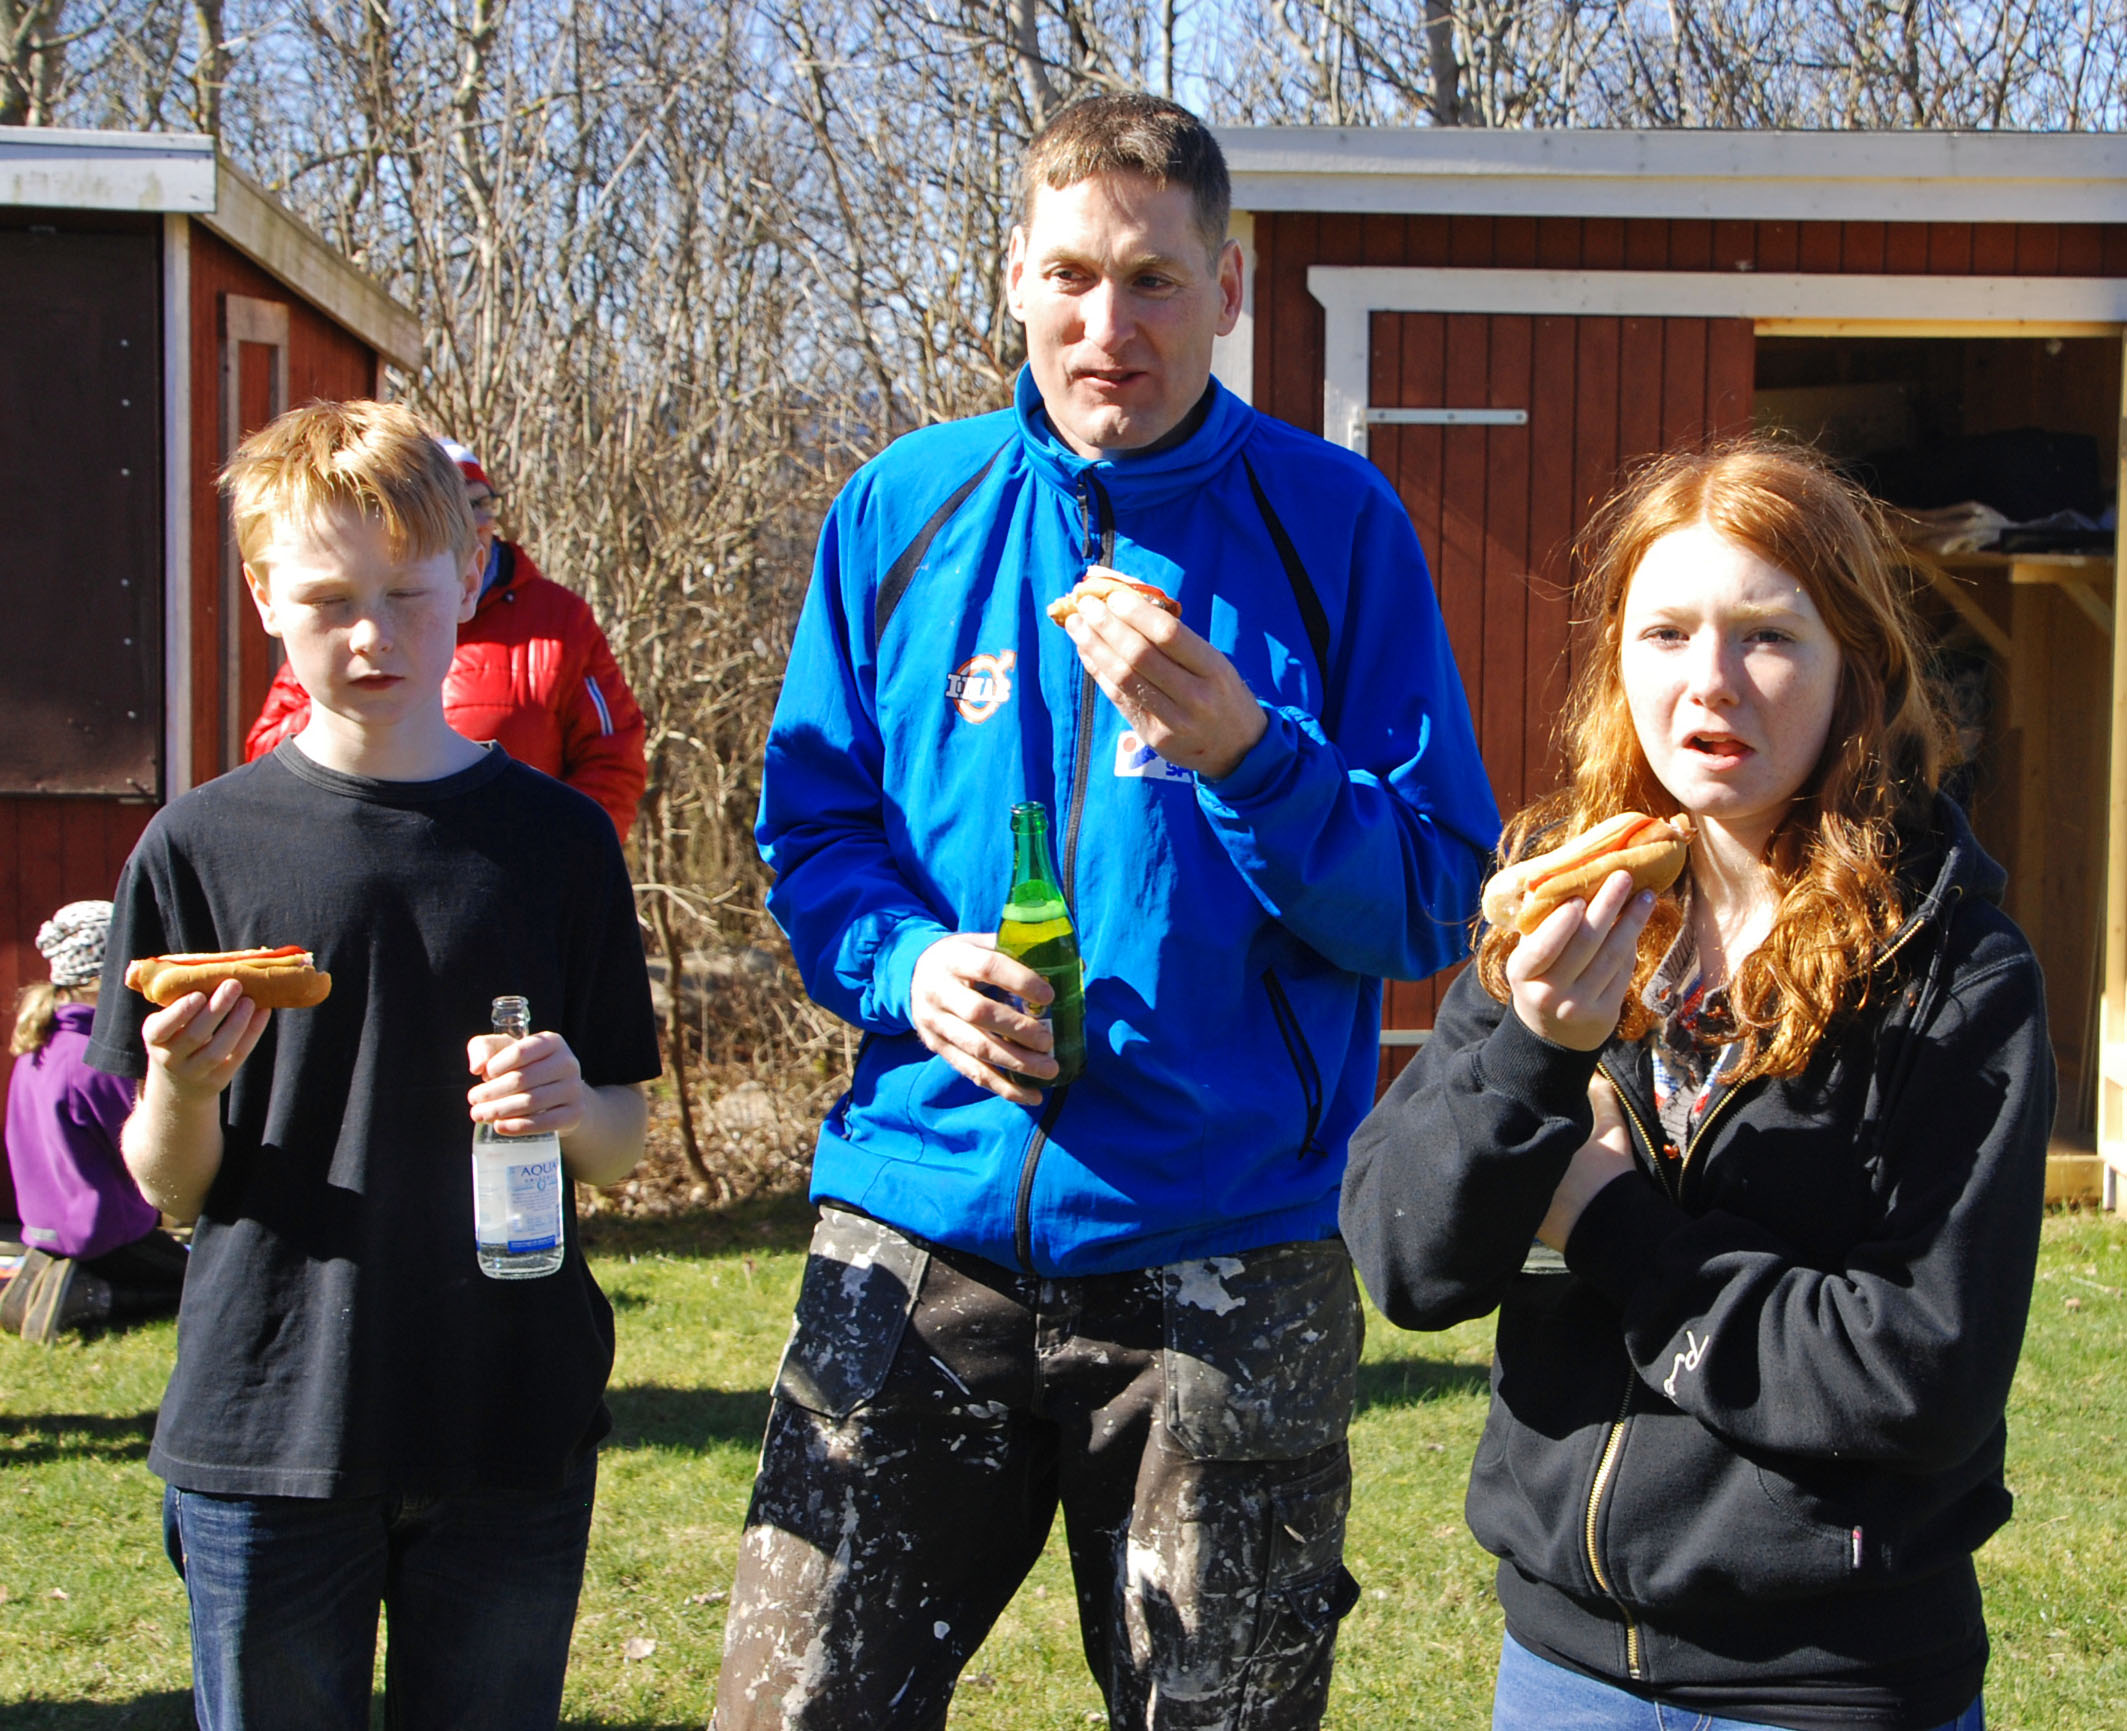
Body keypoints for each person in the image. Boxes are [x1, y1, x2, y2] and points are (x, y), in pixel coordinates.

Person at [716, 92, 1499, 1730]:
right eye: (1070, 275)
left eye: (1153, 280)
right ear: (1012, 273)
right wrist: (908, 966)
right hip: (917, 1226)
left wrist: (1252, 757)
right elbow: (814, 830)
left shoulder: (1332, 525)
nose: (1107, 326)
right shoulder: (901, 508)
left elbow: (1434, 895)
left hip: (1226, 1250)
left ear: (1227, 288)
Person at [1341, 438, 2052, 1731]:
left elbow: (1919, 1379)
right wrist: (1533, 1048)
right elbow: (1408, 1266)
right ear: (1618, 661)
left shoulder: (1948, 972)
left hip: (1828, 1683)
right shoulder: (1569, 912)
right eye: (1664, 633)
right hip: (1559, 1670)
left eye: (1767, 636)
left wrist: (1608, 1220)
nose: (1708, 681)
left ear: (1854, 666)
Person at [86, 400, 660, 1731]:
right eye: (328, 600)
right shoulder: (197, 846)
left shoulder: (558, 843)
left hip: (508, 1412)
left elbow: (622, 1141)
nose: (371, 636)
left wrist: (572, 1103)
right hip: (269, 1418)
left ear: (469, 575)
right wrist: (184, 1088)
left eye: (406, 594)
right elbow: (168, 1185)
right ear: (263, 598)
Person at [244, 436, 649, 844]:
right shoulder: (347, 633)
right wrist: (361, 717)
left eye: (481, 502)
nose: (475, 521)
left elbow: (614, 757)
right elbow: (271, 751)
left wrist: (554, 854)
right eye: (455, 508)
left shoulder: (557, 618)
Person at [0, 900, 186, 1343]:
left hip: (47, 1231)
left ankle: (44, 1286)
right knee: (199, 1281)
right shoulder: (94, 1060)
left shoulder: (40, 1046)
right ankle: (94, 1298)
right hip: (111, 1236)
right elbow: (149, 1150)